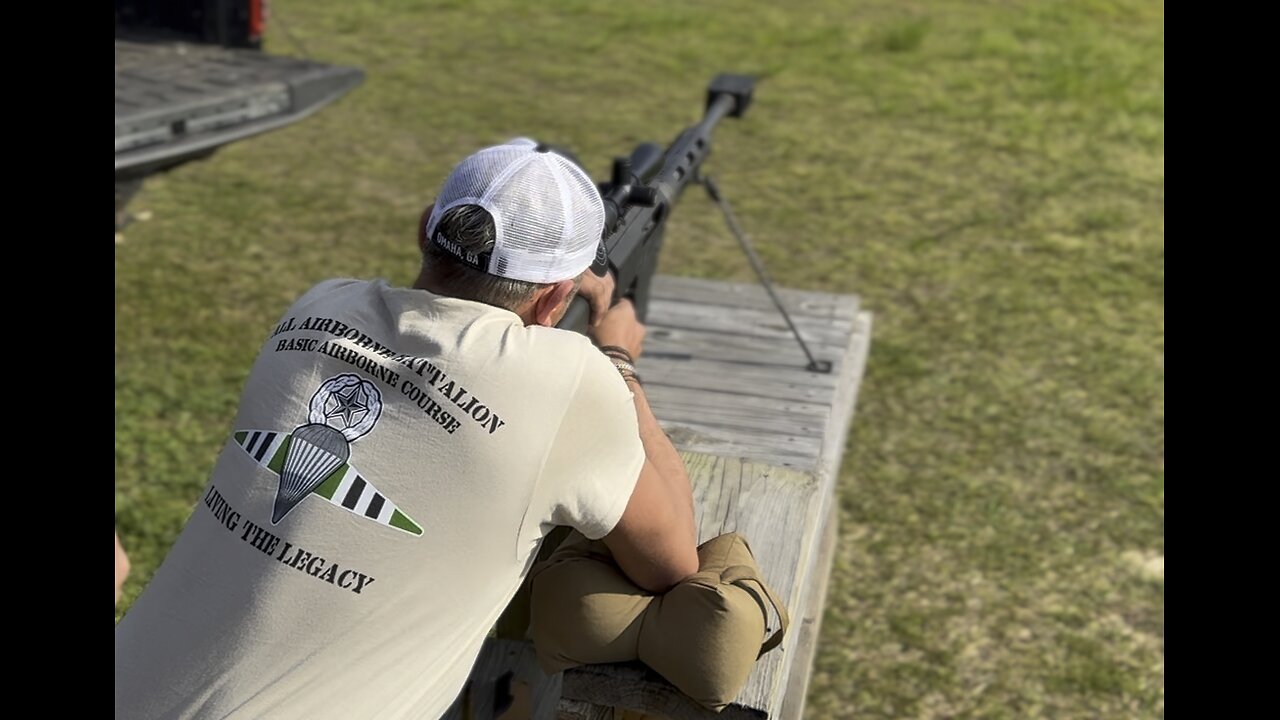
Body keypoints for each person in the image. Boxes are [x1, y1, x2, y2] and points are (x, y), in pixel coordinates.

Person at [114, 139, 699, 719]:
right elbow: (671, 561)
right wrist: (618, 359)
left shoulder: (320, 306)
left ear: (425, 229)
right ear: (556, 299)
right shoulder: (573, 382)